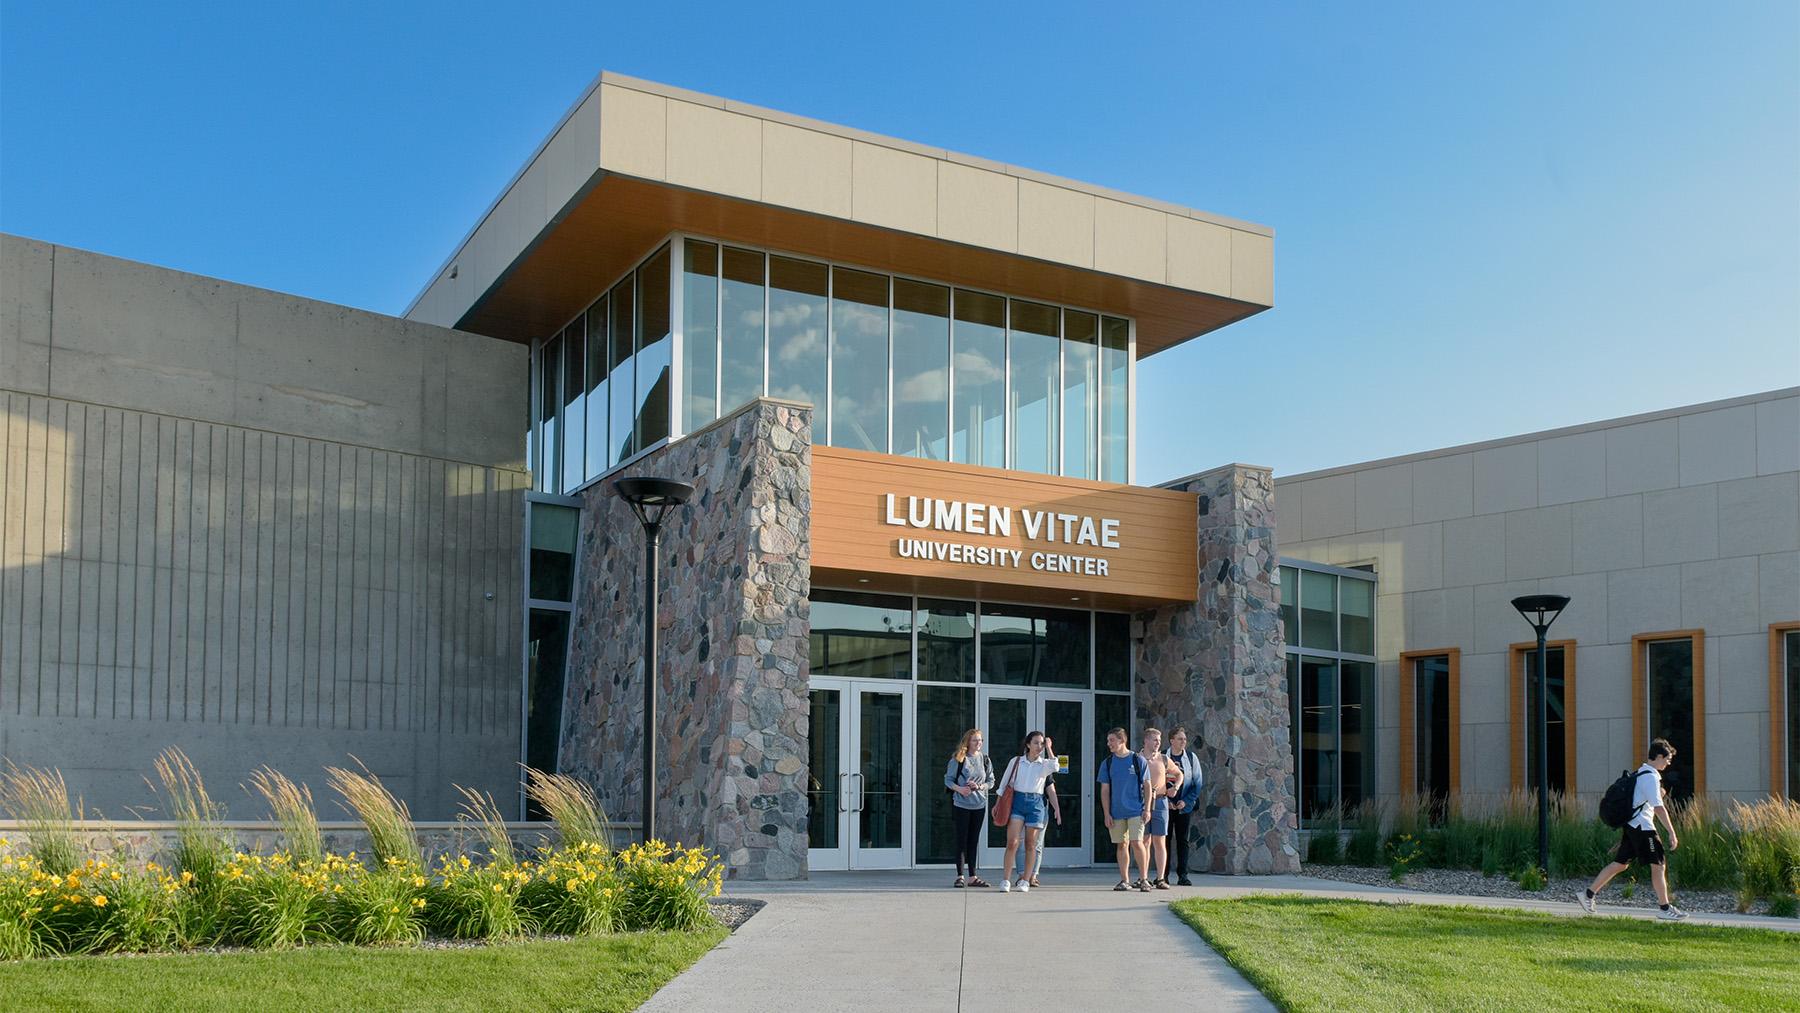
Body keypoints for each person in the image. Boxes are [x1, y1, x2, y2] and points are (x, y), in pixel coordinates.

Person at [1577, 738, 1687, 920]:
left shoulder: (1640, 773)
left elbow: (1645, 800)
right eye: (1667, 759)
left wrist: (1659, 793)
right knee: (1659, 866)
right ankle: (1665, 909)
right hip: (1644, 828)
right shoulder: (1651, 777)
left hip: (1632, 826)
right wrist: (1672, 832)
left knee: (1620, 864)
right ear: (1659, 756)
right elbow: (1659, 808)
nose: (1669, 763)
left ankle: (1588, 895)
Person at [997, 731, 1059, 893]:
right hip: (1017, 801)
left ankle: (1026, 879)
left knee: (1031, 844)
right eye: (1036, 743)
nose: (1039, 746)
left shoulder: (1044, 763)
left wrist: (1050, 748)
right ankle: (1006, 879)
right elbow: (1004, 784)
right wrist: (997, 805)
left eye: (1041, 743)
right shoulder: (1017, 761)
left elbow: (1056, 766)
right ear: (1028, 744)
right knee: (1012, 842)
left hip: (1036, 803)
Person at [1096, 727, 1155, 892]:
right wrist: (1106, 813)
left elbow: (1148, 786)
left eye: (1112, 740)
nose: (1109, 744)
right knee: (1121, 845)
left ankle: (1144, 880)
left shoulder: (1138, 760)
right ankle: (1124, 880)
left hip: (1136, 810)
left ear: (1122, 740)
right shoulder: (1107, 763)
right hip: (1116, 812)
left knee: (1137, 842)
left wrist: (1147, 809)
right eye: (1108, 741)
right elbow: (1105, 791)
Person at [944, 728, 995, 888]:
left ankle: (972, 877)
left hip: (979, 805)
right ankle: (960, 876)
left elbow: (991, 781)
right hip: (961, 805)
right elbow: (948, 780)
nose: (978, 743)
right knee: (961, 840)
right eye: (975, 740)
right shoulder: (958, 759)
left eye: (980, 740)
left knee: (973, 841)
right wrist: (960, 789)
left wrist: (979, 786)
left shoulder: (985, 759)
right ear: (967, 742)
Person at [1140, 728, 1180, 889]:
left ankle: (1160, 878)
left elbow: (1179, 774)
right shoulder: (1138, 759)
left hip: (1161, 801)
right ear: (1146, 741)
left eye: (1159, 740)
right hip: (1142, 802)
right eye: (1155, 740)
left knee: (1160, 840)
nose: (1158, 743)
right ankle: (1144, 878)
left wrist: (1175, 787)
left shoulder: (1164, 759)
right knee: (1144, 840)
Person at [1165, 727, 1203, 886]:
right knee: (1164, 841)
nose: (1183, 742)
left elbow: (1197, 783)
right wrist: (1166, 800)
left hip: (1183, 806)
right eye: (1180, 739)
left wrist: (1186, 801)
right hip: (1165, 806)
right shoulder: (1162, 757)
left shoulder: (1191, 758)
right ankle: (1163, 875)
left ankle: (1183, 875)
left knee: (1182, 840)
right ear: (1172, 740)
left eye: (1185, 739)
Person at [1024, 754, 1063, 888]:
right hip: (1020, 807)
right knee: (1021, 843)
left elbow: (1051, 790)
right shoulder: (1020, 764)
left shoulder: (1044, 767)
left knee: (1037, 843)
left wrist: (1056, 808)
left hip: (1040, 808)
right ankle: (1022, 875)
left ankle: (1033, 875)